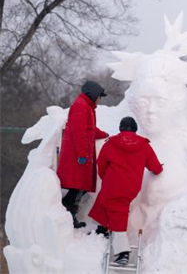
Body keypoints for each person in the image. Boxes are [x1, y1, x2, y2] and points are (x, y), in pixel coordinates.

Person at [89, 116, 163, 267]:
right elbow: (155, 166)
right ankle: (102, 227)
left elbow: (101, 165)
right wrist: (158, 169)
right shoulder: (144, 146)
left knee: (117, 213)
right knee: (107, 202)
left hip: (112, 183)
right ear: (135, 129)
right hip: (131, 187)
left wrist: (107, 178)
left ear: (120, 129)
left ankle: (123, 253)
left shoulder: (111, 144)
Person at [57, 80, 109, 228]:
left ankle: (70, 213)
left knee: (81, 185)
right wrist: (81, 154)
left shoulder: (86, 106)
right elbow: (79, 132)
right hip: (76, 156)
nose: (100, 99)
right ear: (92, 94)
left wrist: (104, 134)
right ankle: (67, 212)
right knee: (78, 185)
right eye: (99, 96)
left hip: (81, 154)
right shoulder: (81, 106)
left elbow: (89, 129)